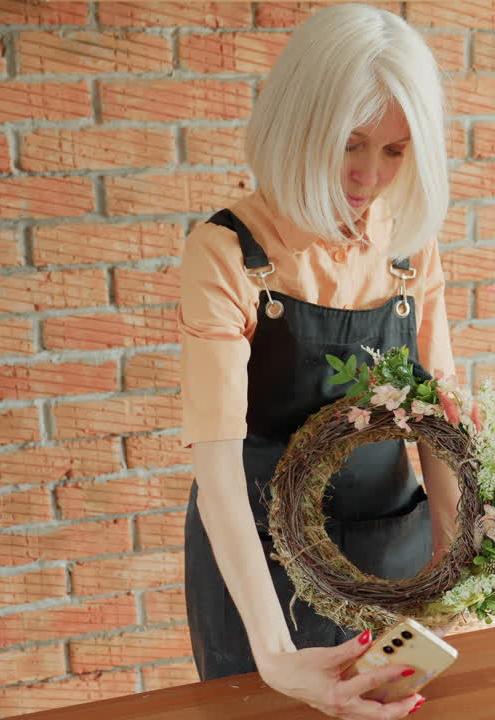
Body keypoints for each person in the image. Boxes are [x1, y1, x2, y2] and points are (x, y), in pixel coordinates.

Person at [176, 5, 460, 718]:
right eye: (351, 143)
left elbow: (442, 422)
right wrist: (273, 654)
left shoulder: (406, 246)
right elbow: (216, 468)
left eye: (395, 152)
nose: (370, 176)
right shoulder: (228, 254)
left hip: (388, 543)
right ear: (301, 124)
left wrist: (457, 567)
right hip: (259, 564)